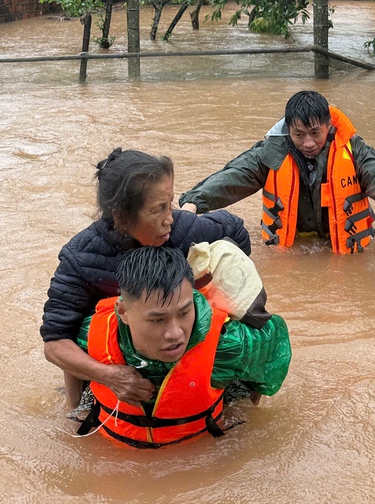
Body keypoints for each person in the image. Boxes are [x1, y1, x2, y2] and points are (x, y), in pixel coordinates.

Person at [40, 147, 251, 411]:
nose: (169, 220)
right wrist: (109, 377)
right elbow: (55, 342)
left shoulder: (184, 231)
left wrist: (212, 288)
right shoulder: (82, 258)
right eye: (158, 210)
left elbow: (236, 230)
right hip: (116, 368)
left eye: (170, 204)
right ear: (120, 215)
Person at [75, 245, 291, 448]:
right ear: (123, 313)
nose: (175, 334)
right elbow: (68, 359)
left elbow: (271, 352)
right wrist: (73, 407)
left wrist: (249, 410)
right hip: (116, 447)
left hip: (200, 443)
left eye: (184, 313)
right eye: (157, 320)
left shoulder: (226, 343)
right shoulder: (92, 333)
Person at [179, 90, 375, 254]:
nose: (308, 143)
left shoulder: (352, 149)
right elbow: (234, 177)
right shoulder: (272, 152)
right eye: (299, 134)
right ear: (288, 129)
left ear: (329, 125)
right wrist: (194, 202)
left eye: (315, 133)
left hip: (346, 246)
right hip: (292, 245)